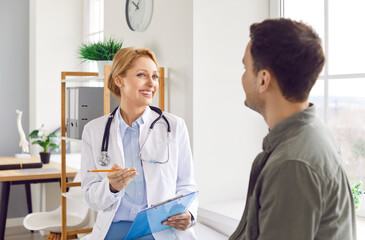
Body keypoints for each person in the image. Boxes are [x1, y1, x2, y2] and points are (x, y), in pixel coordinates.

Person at [230, 18, 356, 240]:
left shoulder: (292, 165)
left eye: (245, 68)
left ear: (263, 79)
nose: (242, 77)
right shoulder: (313, 132)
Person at [81, 47, 197, 240]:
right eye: (142, 75)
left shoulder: (174, 126)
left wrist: (189, 214)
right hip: (114, 229)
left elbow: (187, 184)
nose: (151, 83)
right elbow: (90, 195)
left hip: (160, 229)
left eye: (155, 76)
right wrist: (111, 187)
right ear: (119, 80)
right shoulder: (94, 131)